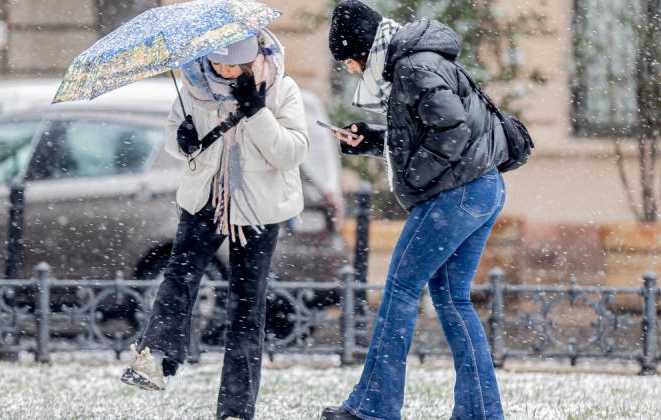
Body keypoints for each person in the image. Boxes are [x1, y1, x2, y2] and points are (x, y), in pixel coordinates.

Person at [321, 1, 509, 419]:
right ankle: (481, 411)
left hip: (457, 195)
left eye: (350, 60)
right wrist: (371, 140)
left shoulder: (412, 66)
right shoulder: (417, 60)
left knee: (400, 291)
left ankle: (374, 407)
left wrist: (421, 180)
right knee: (452, 298)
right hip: (483, 188)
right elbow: (427, 127)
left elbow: (451, 128)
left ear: (365, 50)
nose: (351, 70)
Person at [120, 32, 309, 420]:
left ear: (252, 58)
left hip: (258, 207)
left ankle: (236, 409)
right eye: (216, 63)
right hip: (206, 197)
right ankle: (158, 358)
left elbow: (290, 152)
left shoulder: (281, 88)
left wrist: (256, 112)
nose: (221, 71)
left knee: (247, 305)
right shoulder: (194, 85)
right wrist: (184, 141)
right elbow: (175, 137)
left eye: (230, 64)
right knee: (179, 275)